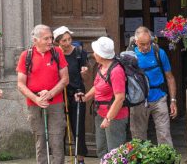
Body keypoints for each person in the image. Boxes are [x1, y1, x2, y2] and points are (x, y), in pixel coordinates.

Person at [16, 25, 70, 164]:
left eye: (51, 38)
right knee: (40, 139)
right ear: (35, 40)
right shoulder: (25, 56)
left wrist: (50, 94)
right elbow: (20, 83)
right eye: (46, 38)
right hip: (34, 104)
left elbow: (65, 79)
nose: (50, 41)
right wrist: (36, 98)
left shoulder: (57, 52)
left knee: (57, 139)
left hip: (56, 102)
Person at [75, 36, 128, 158]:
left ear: (101, 55)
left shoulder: (116, 71)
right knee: (102, 149)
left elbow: (120, 98)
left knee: (115, 153)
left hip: (115, 117)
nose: (93, 53)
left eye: (95, 51)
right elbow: (97, 87)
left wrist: (108, 118)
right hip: (101, 113)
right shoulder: (101, 66)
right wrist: (85, 97)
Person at [129, 26, 177, 146]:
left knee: (164, 134)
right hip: (138, 101)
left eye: (148, 43)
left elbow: (170, 77)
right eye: (142, 44)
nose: (145, 47)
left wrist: (173, 100)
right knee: (138, 137)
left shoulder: (159, 53)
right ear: (136, 42)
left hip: (159, 98)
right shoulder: (130, 56)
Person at [52, 26, 89, 164]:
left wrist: (85, 73)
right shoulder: (54, 54)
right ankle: (59, 158)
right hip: (60, 94)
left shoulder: (79, 52)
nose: (67, 43)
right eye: (63, 41)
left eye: (69, 39)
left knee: (78, 126)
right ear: (57, 42)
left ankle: (80, 159)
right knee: (60, 127)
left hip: (77, 93)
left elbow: (85, 77)